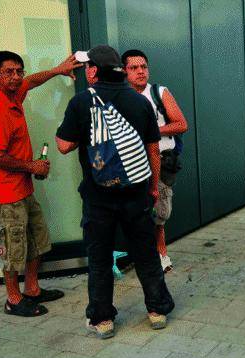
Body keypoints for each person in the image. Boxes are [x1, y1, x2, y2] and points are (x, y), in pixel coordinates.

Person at [55, 45, 174, 338]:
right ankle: (157, 310)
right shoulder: (139, 102)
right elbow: (153, 149)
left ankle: (103, 319)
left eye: (87, 67)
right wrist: (153, 187)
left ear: (95, 70)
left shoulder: (81, 102)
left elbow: (63, 145)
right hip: (135, 194)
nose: (85, 72)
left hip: (98, 198)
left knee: (99, 259)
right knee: (146, 254)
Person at [0, 51, 79, 317]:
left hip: (21, 189)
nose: (15, 77)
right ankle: (13, 299)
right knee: (12, 248)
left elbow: (31, 82)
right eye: (8, 72)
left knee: (35, 238)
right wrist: (31, 166)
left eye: (18, 71)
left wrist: (57, 69)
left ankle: (32, 288)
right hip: (3, 194)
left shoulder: (12, 93)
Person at [122, 49, 189, 272]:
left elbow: (181, 124)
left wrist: (152, 131)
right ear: (124, 71)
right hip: (133, 162)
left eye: (144, 67)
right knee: (137, 212)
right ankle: (146, 255)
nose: (141, 71)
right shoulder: (121, 97)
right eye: (134, 68)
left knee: (160, 212)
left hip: (162, 160)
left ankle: (161, 254)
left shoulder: (159, 92)